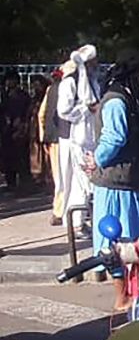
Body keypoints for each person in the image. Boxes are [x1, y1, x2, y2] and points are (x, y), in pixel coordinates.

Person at [83, 48, 139, 311]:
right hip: (117, 185)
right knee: (118, 242)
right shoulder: (116, 101)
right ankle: (122, 296)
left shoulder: (126, 97)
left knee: (136, 239)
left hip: (129, 182)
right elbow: (114, 138)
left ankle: (136, 291)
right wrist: (97, 159)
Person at [57, 44, 100, 233]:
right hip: (80, 137)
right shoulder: (70, 82)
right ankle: (78, 220)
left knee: (80, 182)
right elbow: (63, 111)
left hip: (94, 136)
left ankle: (77, 222)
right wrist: (86, 109)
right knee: (85, 180)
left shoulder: (93, 81)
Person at [38, 67, 67, 225]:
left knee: (59, 176)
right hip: (66, 138)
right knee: (66, 176)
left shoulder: (50, 90)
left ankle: (59, 210)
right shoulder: (70, 87)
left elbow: (41, 114)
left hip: (53, 139)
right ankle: (61, 210)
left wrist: (44, 137)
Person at [0, 71, 31, 192]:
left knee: (20, 156)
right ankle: (10, 182)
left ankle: (23, 183)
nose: (8, 83)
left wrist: (21, 121)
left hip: (18, 129)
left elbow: (25, 111)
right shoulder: (5, 95)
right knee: (8, 157)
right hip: (6, 129)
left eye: (10, 80)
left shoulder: (22, 95)